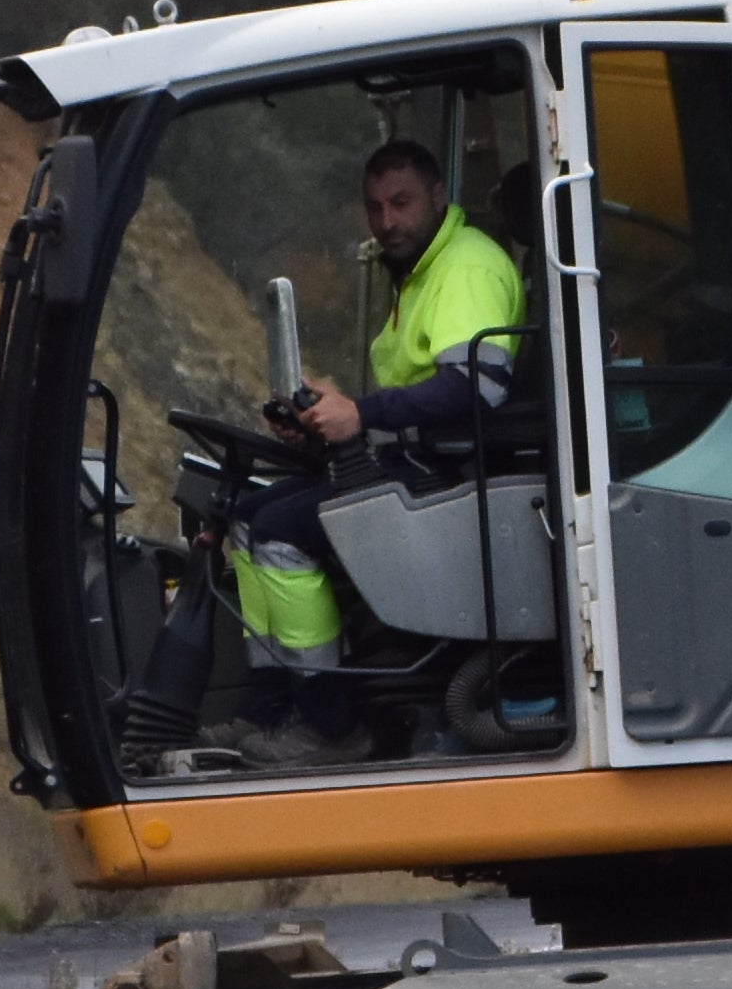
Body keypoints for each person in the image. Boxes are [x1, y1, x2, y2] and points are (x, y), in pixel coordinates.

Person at [225, 138, 530, 691]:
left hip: (455, 475)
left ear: (438, 196)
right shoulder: (419, 271)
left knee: (279, 534)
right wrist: (323, 419)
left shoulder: (466, 268)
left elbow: (474, 390)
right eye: (375, 207)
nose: (386, 221)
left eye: (401, 202)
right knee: (247, 519)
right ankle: (271, 708)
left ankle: (325, 720)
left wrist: (359, 414)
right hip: (416, 458)